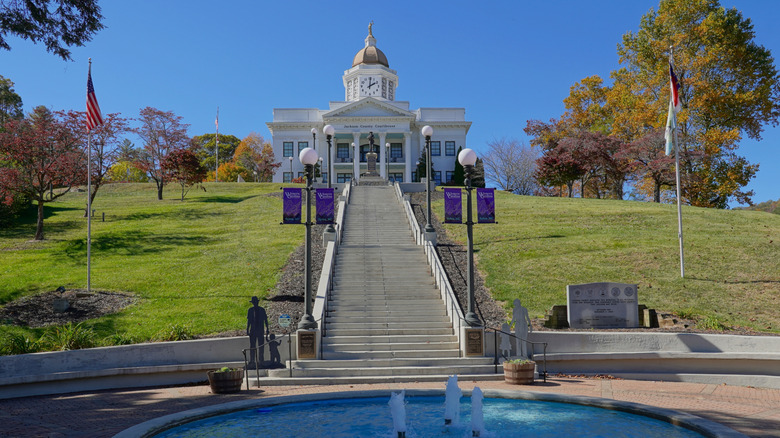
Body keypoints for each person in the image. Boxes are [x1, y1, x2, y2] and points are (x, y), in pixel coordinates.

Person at [246, 296, 269, 366]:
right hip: (253, 330)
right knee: (252, 346)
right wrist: (247, 329)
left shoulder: (262, 310)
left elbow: (265, 320)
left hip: (260, 330)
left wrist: (267, 328)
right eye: (254, 302)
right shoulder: (250, 310)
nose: (255, 303)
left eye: (256, 302)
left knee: (261, 346)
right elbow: (249, 321)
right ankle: (252, 360)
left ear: (257, 302)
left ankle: (261, 360)